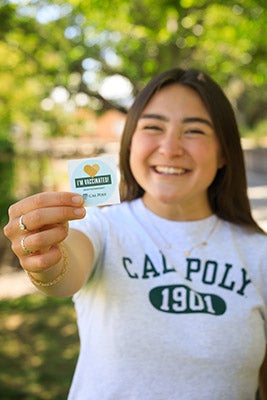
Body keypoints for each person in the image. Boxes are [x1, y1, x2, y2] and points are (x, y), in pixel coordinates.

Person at [3, 68, 267, 400]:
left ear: (225, 152)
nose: (170, 148)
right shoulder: (101, 225)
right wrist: (44, 258)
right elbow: (63, 270)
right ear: (129, 143)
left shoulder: (260, 254)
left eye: (194, 131)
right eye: (153, 127)